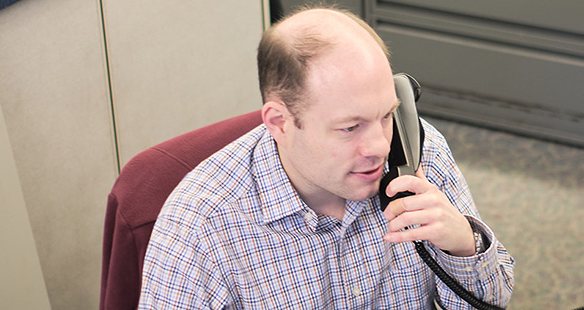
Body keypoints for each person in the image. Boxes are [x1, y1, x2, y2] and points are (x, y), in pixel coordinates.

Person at [138, 6, 514, 309]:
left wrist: (463, 245)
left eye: (385, 116)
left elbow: (492, 304)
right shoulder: (202, 227)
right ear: (280, 122)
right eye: (350, 128)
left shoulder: (418, 151)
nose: (380, 147)